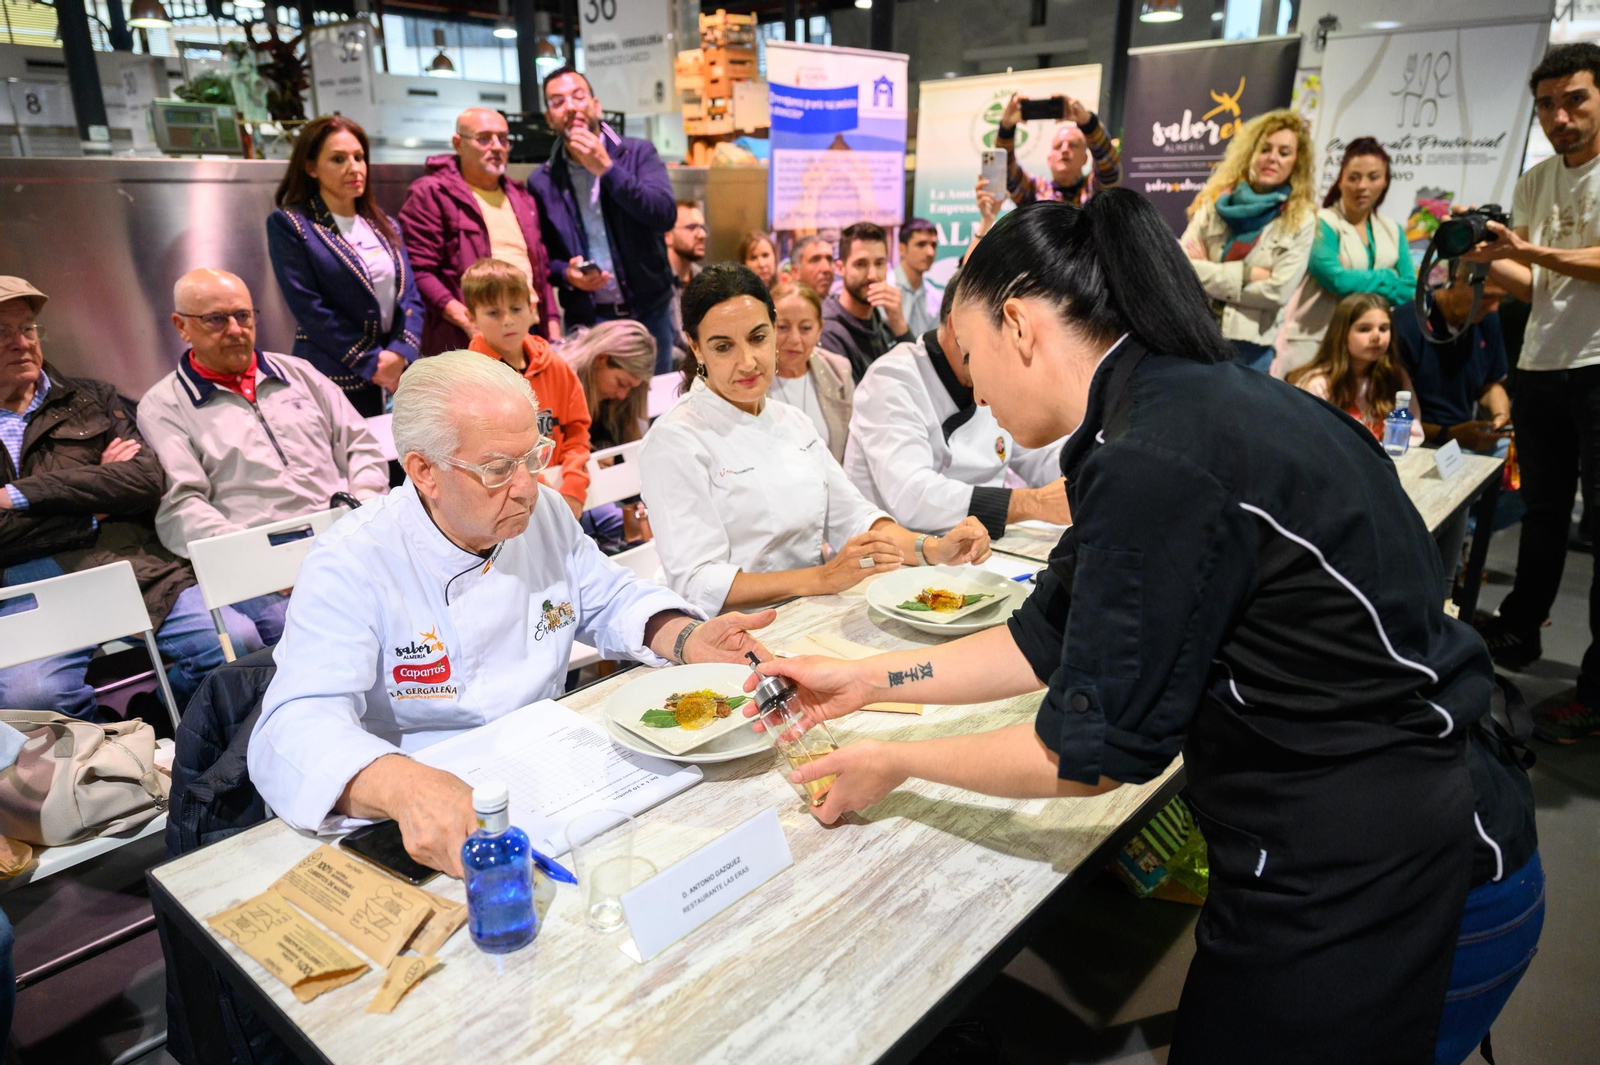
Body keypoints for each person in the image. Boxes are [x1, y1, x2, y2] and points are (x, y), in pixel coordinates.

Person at [747, 193, 1541, 1065]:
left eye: (970, 356)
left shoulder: (1155, 455)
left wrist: (897, 760)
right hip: (1389, 844)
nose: (974, 389)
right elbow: (1043, 639)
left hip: (1395, 882)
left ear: (1019, 325)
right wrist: (867, 681)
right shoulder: (1175, 407)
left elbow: (1081, 756)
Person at [248, 352, 775, 875]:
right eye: (498, 469)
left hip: (550, 766)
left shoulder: (543, 514)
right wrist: (403, 786)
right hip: (427, 808)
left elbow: (611, 597)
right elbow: (295, 726)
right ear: (424, 471)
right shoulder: (352, 562)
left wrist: (687, 638)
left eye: (533, 457)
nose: (527, 488)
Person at [638, 264, 990, 617]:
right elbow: (698, 582)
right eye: (723, 347)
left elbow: (855, 517)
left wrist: (933, 548)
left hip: (809, 612)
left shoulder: (792, 422)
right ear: (695, 347)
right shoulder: (674, 441)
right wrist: (823, 577)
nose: (747, 362)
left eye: (758, 338)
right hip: (726, 630)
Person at [0, 277, 264, 717]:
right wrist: (93, 506)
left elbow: (142, 481)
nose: (21, 343)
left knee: (237, 643)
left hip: (131, 564)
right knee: (33, 699)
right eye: (2, 332)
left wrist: (17, 496)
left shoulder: (91, 397)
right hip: (29, 584)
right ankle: (111, 753)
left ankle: (163, 719)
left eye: (27, 328)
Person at [1461, 43, 1600, 742]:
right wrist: (1486, 262)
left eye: (1575, 99)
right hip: (1543, 363)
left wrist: (1527, 251)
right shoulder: (1536, 181)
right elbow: (1537, 286)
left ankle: (1598, 693)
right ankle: (1519, 629)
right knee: (1542, 513)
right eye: (1546, 105)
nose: (1559, 116)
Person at [137, 269, 390, 647]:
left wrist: (363, 509)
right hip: (256, 561)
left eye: (243, 316)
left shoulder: (299, 374)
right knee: (298, 625)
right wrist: (260, 563)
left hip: (338, 537)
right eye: (216, 320)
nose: (235, 330)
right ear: (182, 326)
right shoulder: (163, 406)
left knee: (411, 600)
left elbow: (360, 445)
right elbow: (181, 506)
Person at [844, 278, 1069, 538]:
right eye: (996, 334)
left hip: (983, 544)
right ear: (958, 325)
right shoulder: (891, 378)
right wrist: (1033, 503)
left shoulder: (992, 376)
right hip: (896, 550)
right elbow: (913, 497)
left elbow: (1041, 454)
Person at [267, 115, 424, 417]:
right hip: (334, 374)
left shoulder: (385, 223)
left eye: (359, 157)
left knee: (402, 447)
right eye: (338, 159)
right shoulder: (291, 224)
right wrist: (372, 361)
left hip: (397, 371)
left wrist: (401, 352)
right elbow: (310, 308)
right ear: (311, 167)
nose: (354, 168)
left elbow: (411, 297)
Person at [529, 67, 679, 376]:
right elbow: (543, 258)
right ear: (550, 119)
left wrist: (608, 170)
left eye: (578, 96)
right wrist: (566, 273)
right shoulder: (543, 180)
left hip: (648, 314)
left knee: (655, 401)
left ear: (596, 106)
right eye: (558, 102)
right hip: (589, 321)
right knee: (594, 407)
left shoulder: (637, 153)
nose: (570, 107)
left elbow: (664, 214)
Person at [398, 107, 558, 355]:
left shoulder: (521, 195)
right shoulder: (432, 193)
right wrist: (469, 323)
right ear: (458, 144)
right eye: (484, 138)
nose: (496, 147)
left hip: (530, 332)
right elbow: (420, 271)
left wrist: (554, 334)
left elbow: (540, 270)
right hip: (469, 339)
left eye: (503, 139)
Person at [1180, 109, 1318, 372]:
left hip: (1251, 351)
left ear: (1297, 162)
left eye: (1284, 152)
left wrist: (1208, 273)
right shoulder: (1214, 202)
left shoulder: (1301, 219)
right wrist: (1246, 274)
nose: (1272, 158)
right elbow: (1181, 267)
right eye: (1264, 149)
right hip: (1196, 333)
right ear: (1250, 153)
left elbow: (1278, 292)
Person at [460, 258, 592, 521]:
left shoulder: (557, 367)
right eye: (493, 313)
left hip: (566, 497)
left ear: (532, 309)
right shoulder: (471, 379)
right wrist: (543, 493)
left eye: (516, 308)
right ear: (472, 318)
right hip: (506, 507)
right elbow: (491, 455)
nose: (508, 320)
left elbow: (577, 434)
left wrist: (574, 487)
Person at [1280, 137, 1416, 373]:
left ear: (1385, 182)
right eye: (1353, 177)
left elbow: (1410, 289)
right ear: (1340, 181)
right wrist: (1388, 276)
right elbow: (1336, 280)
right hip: (1313, 341)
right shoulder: (1321, 222)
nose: (1362, 185)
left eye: (1373, 177)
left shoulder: (1393, 230)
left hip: (1366, 352)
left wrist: (1353, 276)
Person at [1393, 266, 1512, 454]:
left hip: (1470, 434)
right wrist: (1447, 434)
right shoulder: (1406, 324)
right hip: (1420, 439)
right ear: (1455, 281)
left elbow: (1490, 385)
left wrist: (1501, 417)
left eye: (1501, 298)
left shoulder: (1486, 319)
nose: (1494, 307)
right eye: (1487, 297)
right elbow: (1386, 412)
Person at [562, 319, 657, 546]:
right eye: (621, 383)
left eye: (631, 388)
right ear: (601, 360)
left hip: (608, 498)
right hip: (574, 497)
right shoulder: (562, 386)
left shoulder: (621, 402)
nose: (623, 395)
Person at [1286, 293, 1424, 447]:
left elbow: (1413, 432)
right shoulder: (1317, 384)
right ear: (1342, 333)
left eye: (1384, 328)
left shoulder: (1395, 375)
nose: (1376, 337)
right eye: (1364, 329)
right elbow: (1310, 441)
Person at [766, 281, 854, 462]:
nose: (794, 339)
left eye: (805, 328)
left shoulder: (838, 371)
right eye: (782, 327)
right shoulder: (750, 378)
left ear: (819, 329)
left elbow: (850, 450)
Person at [992, 92, 1121, 208]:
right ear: (1049, 160)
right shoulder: (1036, 191)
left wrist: (1086, 122)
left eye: (1073, 145)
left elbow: (1109, 168)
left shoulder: (1093, 189)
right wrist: (1006, 127)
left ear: (1085, 158)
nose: (1064, 149)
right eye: (1058, 146)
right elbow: (1005, 172)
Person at [819, 222, 913, 381]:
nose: (872, 275)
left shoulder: (885, 326)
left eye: (879, 263)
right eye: (861, 264)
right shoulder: (827, 330)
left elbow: (919, 380)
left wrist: (900, 325)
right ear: (840, 268)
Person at [665, 200, 706, 363]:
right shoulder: (655, 284)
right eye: (691, 227)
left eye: (702, 227)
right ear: (668, 236)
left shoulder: (704, 280)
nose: (701, 235)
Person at [894, 218, 940, 338]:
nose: (930, 252)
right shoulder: (884, 287)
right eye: (921, 244)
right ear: (902, 249)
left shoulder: (936, 297)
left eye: (933, 245)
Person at [790, 234, 837, 299]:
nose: (826, 268)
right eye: (815, 260)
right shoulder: (784, 304)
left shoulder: (841, 303)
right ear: (795, 272)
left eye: (829, 260)